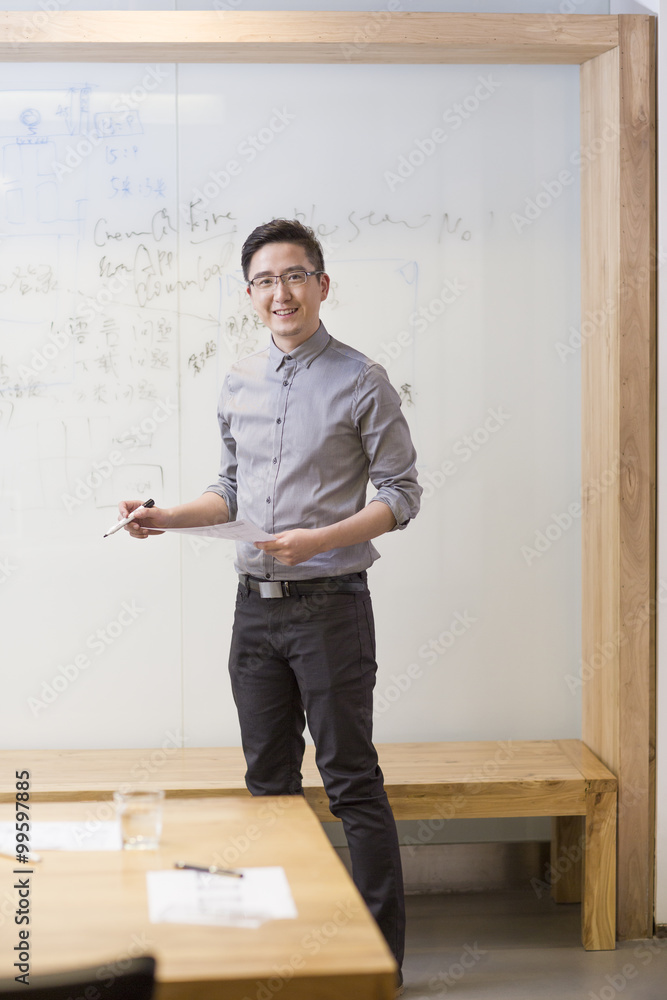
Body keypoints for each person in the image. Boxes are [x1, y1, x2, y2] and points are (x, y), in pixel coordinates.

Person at [119, 219, 421, 993]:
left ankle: (380, 961)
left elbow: (401, 494)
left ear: (321, 285)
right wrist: (161, 515)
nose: (279, 293)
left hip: (331, 608)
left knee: (351, 779)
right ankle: (276, 955)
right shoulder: (239, 380)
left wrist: (321, 539)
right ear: (249, 293)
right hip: (253, 612)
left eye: (294, 276)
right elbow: (229, 493)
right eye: (263, 280)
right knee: (267, 788)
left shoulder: (362, 378)